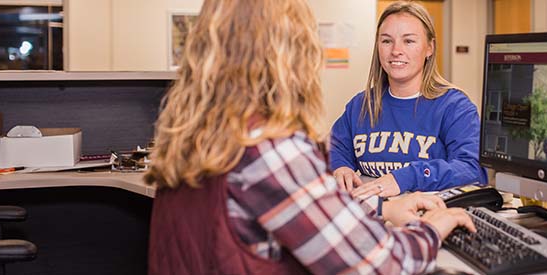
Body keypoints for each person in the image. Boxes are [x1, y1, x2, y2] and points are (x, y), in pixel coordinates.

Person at [144, 0, 475, 274]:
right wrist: (432, 227)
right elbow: (386, 263)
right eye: (387, 40)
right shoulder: (270, 148)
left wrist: (381, 207)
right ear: (290, 51)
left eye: (409, 40)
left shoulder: (196, 137)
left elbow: (295, 203)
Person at [330, 1, 487, 198]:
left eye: (409, 41)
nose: (396, 50)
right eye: (387, 41)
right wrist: (341, 167)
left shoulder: (455, 107)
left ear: (429, 48)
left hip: (429, 218)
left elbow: (472, 169)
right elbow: (334, 148)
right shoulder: (361, 105)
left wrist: (407, 177)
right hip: (374, 218)